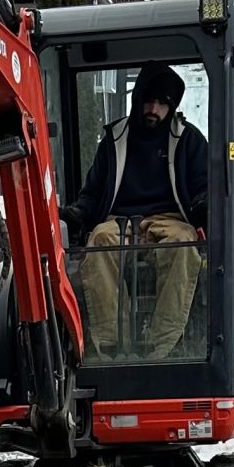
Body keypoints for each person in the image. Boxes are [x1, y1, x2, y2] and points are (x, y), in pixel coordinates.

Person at [64, 61, 208, 360]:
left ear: (171, 107)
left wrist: (203, 204)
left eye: (161, 104)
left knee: (184, 245)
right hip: (119, 221)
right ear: (137, 99)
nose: (153, 109)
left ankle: (163, 345)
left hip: (170, 219)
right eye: (148, 101)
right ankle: (112, 345)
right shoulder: (114, 141)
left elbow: (204, 185)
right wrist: (79, 212)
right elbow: (93, 192)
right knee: (99, 243)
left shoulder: (189, 140)